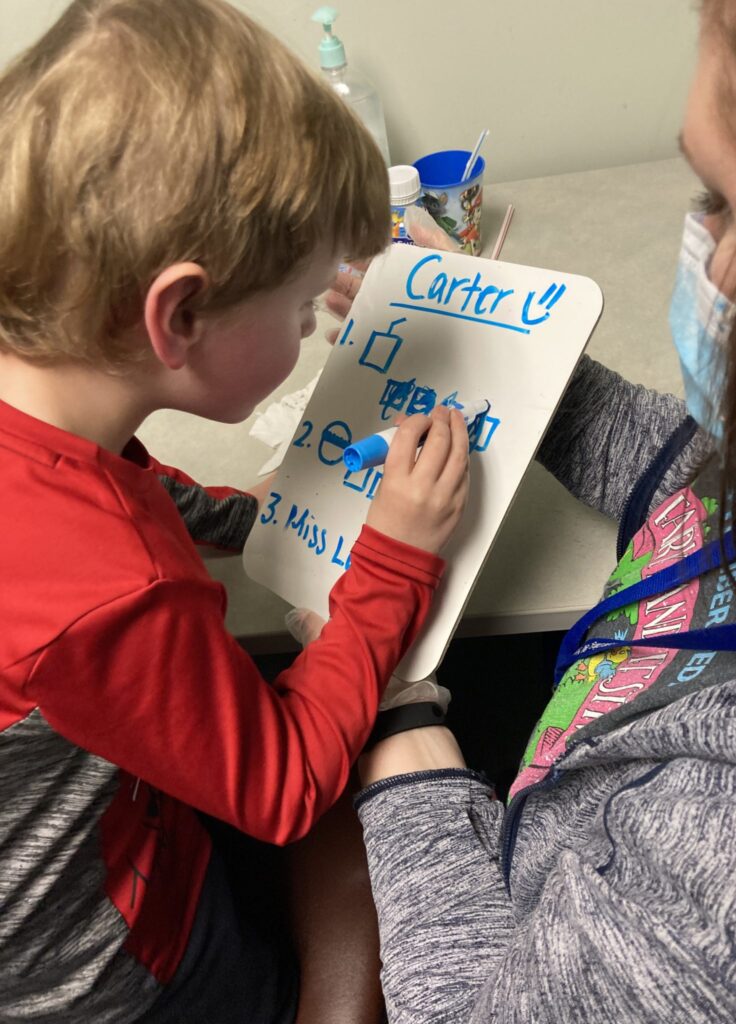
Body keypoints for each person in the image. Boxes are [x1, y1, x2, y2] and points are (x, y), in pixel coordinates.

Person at [0, 1, 471, 1021]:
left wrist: (243, 510)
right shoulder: (112, 588)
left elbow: (111, 478)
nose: (311, 329)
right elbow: (285, 782)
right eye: (302, 310)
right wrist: (396, 559)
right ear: (179, 314)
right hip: (114, 970)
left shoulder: (35, 405)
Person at [324, 1, 736, 1020]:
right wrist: (487, 334)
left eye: (721, 199)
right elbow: (680, 471)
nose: (699, 242)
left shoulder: (727, 906)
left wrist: (393, 703)